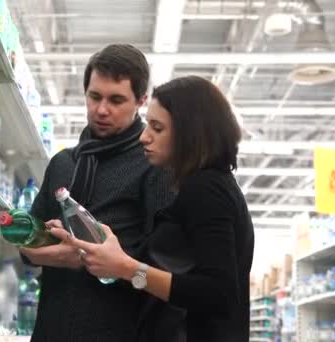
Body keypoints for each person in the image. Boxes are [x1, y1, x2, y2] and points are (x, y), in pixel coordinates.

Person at [51, 75, 255, 342]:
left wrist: (126, 268)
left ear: (190, 134)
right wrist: (106, 251)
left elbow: (218, 293)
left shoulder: (206, 189)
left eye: (157, 128)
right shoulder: (210, 185)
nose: (144, 137)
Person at [19, 44, 175, 341]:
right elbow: (28, 244)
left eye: (116, 100)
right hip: (52, 329)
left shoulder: (154, 165)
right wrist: (54, 256)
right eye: (94, 97)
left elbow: (164, 275)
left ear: (141, 101)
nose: (102, 110)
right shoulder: (64, 163)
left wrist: (115, 265)